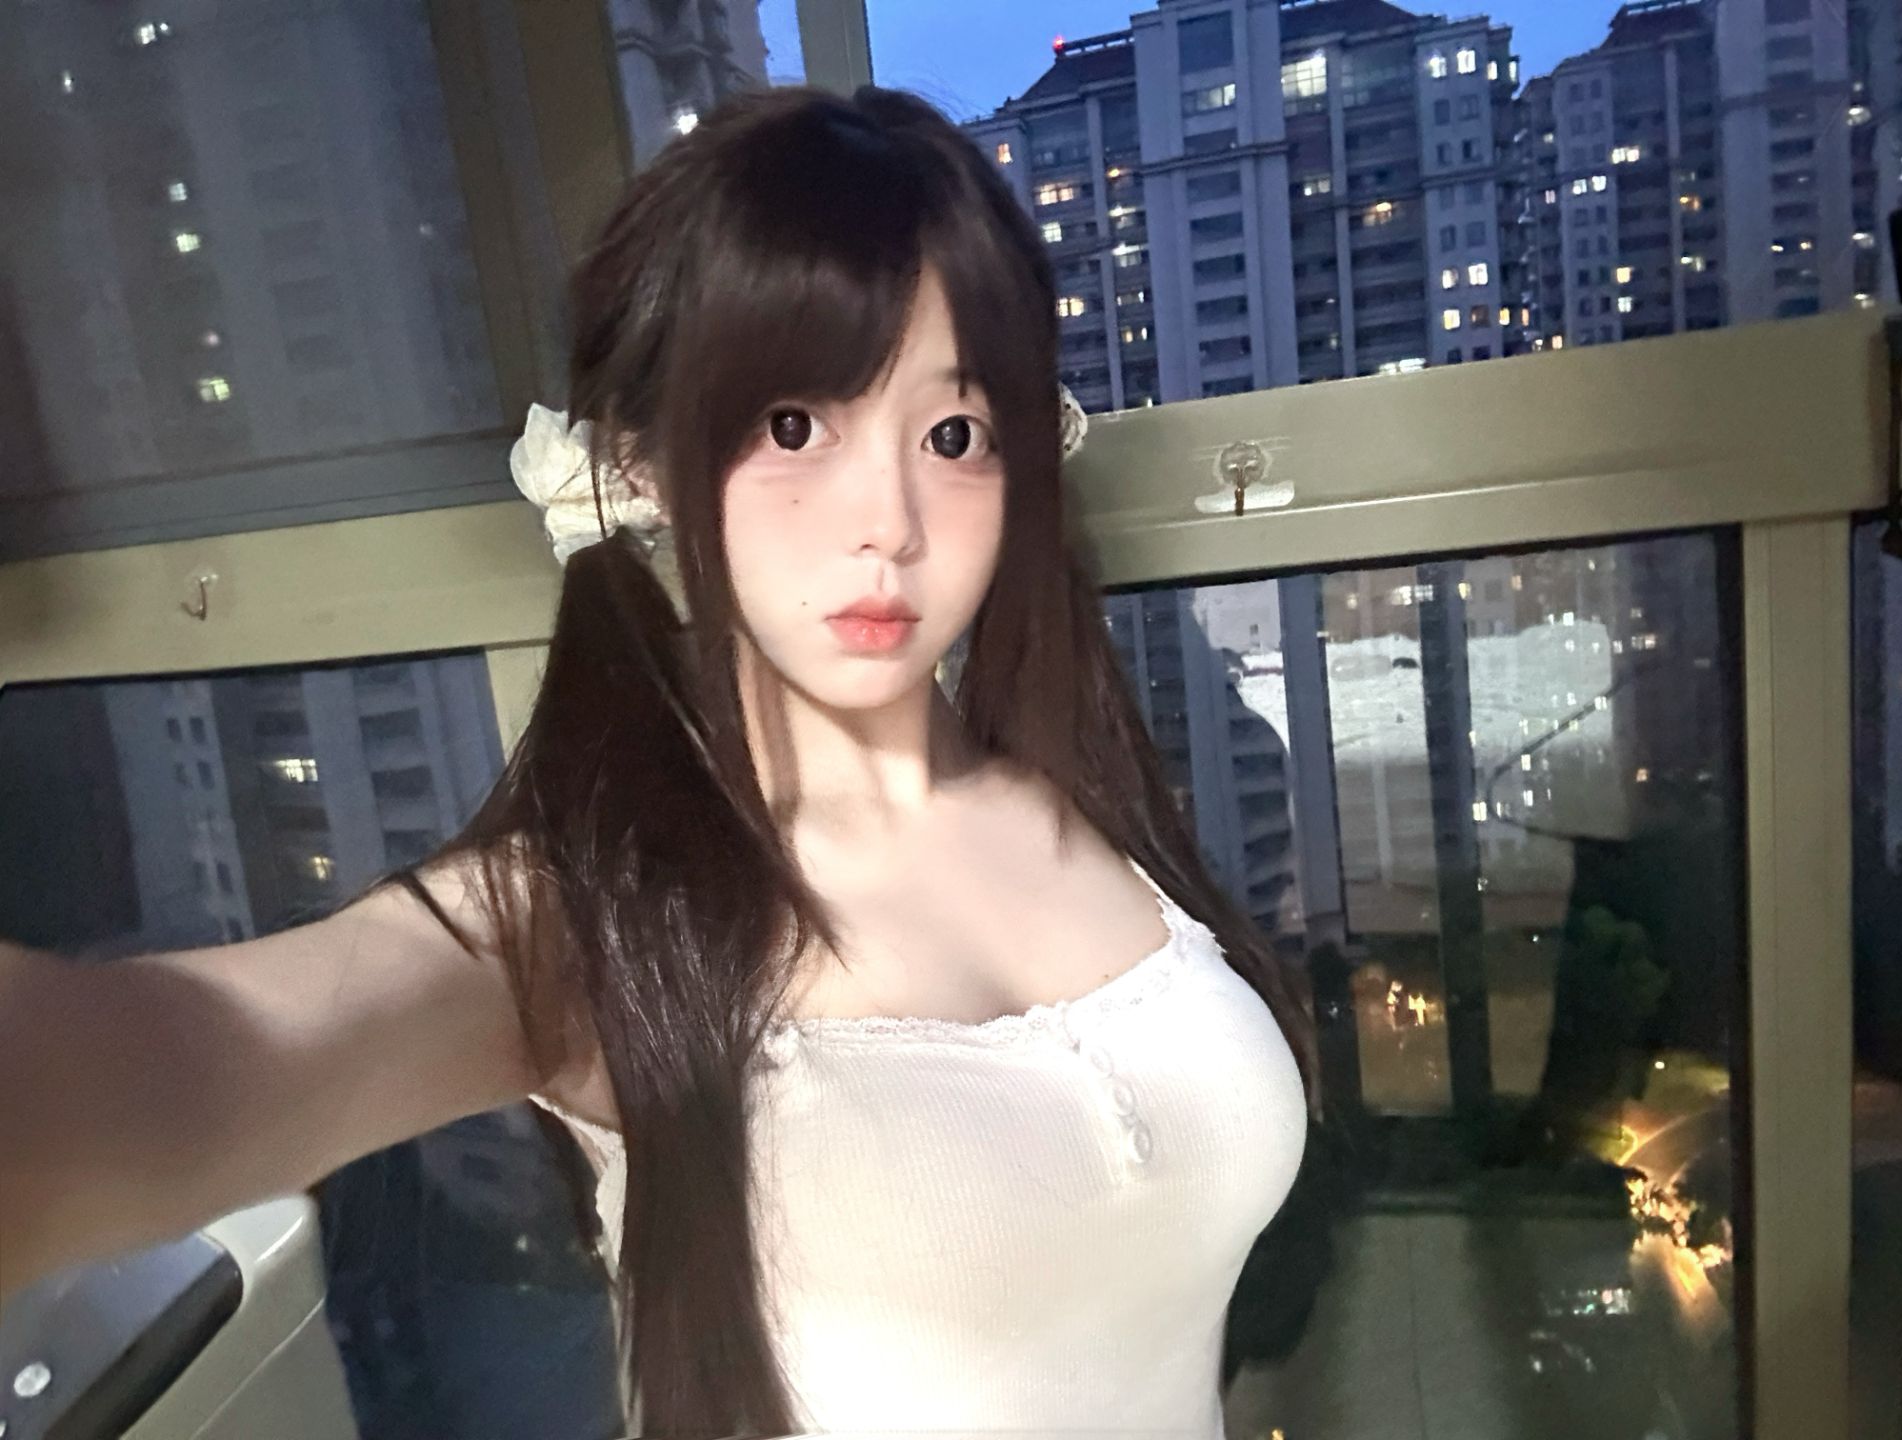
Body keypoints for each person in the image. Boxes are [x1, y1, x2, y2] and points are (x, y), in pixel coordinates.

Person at [0, 86, 1314, 1437]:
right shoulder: (592, 914)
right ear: (641, 460)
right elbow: (193, 1072)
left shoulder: (1084, 792)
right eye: (795, 427)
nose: (890, 523)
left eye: (953, 436)